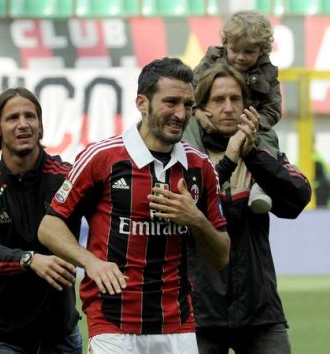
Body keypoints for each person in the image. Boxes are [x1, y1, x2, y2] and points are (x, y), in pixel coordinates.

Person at [38, 57, 230, 354]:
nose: (181, 113)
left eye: (188, 104)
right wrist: (91, 262)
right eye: (171, 102)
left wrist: (196, 219)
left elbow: (221, 256)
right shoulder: (102, 157)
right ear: (142, 102)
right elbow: (49, 226)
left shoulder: (200, 167)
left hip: (177, 324)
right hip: (113, 323)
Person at [183, 63, 311, 354]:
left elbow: (297, 199)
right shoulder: (185, 156)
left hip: (260, 312)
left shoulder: (262, 155)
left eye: (235, 99)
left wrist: (251, 153)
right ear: (201, 109)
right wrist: (229, 158)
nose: (228, 108)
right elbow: (196, 204)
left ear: (247, 106)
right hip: (200, 315)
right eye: (218, 100)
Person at [0, 87, 82, 354]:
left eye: (30, 116)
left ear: (40, 126)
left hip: (60, 332)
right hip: (1, 337)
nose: (23, 124)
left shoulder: (68, 179)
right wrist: (30, 259)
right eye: (13, 118)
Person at [193, 10, 281, 214]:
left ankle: (260, 185)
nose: (240, 57)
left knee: (269, 137)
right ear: (225, 45)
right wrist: (197, 112)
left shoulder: (267, 72)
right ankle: (193, 170)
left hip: (252, 128)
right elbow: (189, 88)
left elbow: (273, 108)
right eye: (235, 50)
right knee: (189, 123)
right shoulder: (212, 60)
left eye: (249, 52)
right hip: (211, 125)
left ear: (262, 49)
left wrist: (253, 124)